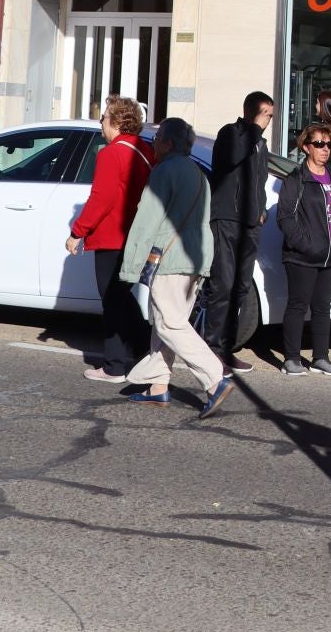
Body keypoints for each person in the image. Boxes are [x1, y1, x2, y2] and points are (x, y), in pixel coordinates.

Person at [120, 116, 232, 419]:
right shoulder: (198, 173)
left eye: (157, 141)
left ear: (168, 143)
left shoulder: (164, 171)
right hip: (195, 257)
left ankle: (214, 378)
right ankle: (158, 386)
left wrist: (130, 267)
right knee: (167, 321)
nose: (154, 146)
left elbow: (147, 221)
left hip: (170, 258)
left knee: (170, 323)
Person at [65, 95, 153, 381]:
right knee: (122, 296)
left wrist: (79, 230)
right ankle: (144, 348)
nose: (101, 121)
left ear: (115, 122)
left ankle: (115, 365)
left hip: (112, 236)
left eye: (104, 117)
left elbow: (101, 198)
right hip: (135, 234)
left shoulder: (111, 153)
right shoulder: (144, 150)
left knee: (112, 300)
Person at [205, 90, 273, 373]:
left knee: (241, 288)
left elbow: (260, 181)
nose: (268, 121)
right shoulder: (231, 134)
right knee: (223, 284)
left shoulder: (261, 144)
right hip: (227, 220)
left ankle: (228, 346)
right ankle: (212, 349)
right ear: (251, 112)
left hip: (249, 225)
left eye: (270, 116)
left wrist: (262, 208)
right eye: (265, 114)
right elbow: (232, 158)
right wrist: (254, 128)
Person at [277, 122, 331, 375]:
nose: (324, 149)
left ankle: (321, 357)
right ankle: (292, 358)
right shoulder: (296, 179)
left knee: (323, 307)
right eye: (319, 144)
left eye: (328, 144)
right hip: (302, 257)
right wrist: (304, 244)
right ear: (307, 147)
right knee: (298, 305)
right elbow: (285, 217)